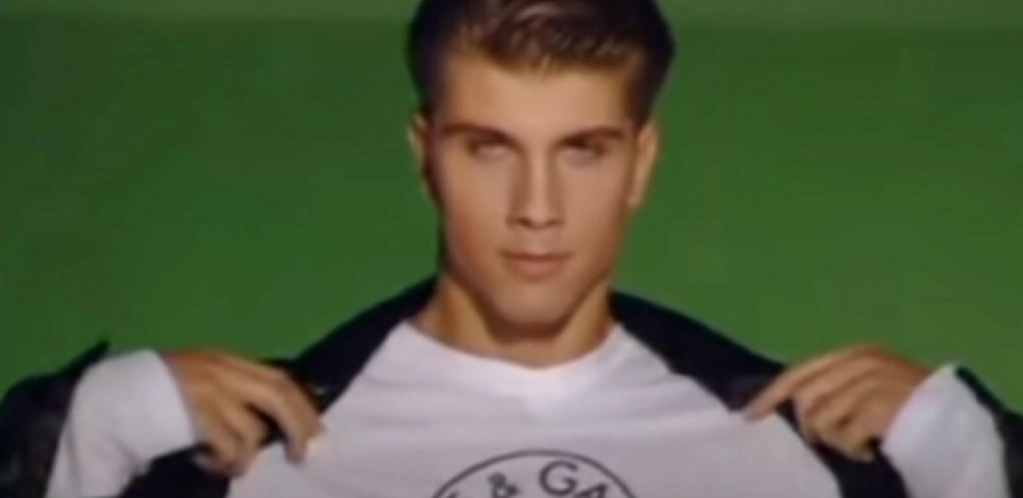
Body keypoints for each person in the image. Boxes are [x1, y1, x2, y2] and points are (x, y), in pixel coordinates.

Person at [1, 0, 1020, 497]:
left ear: (640, 162)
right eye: (490, 148)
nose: (537, 209)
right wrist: (84, 432)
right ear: (426, 156)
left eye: (582, 151)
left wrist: (975, 458)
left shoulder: (801, 453)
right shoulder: (240, 457)